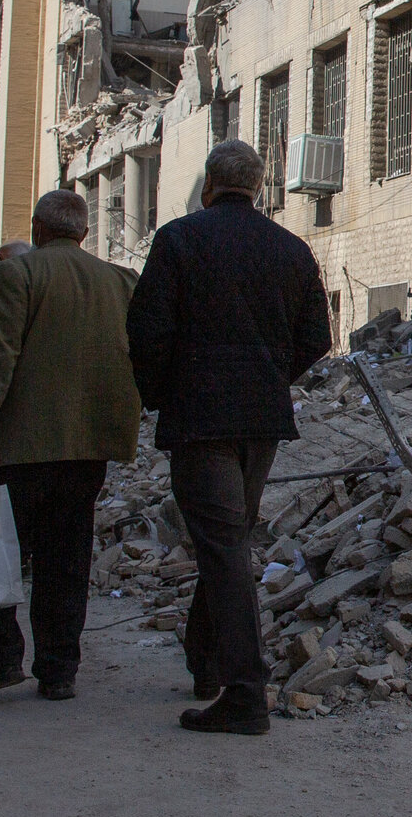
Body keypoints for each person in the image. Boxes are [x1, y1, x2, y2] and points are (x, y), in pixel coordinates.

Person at [126, 140, 332, 736]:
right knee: (227, 539)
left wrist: (162, 393)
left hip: (202, 420)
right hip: (259, 421)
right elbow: (317, 337)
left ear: (209, 185)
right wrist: (269, 377)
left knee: (222, 545)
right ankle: (208, 660)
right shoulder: (291, 248)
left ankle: (244, 692)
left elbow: (146, 331)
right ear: (260, 187)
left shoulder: (179, 240)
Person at [0, 191, 143, 701]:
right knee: (66, 559)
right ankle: (58, 670)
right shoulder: (122, 280)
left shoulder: (16, 275)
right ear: (84, 232)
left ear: (37, 229)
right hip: (89, 446)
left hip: (18, 446)